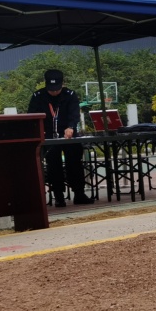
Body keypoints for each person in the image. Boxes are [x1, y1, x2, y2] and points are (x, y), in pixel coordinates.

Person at [28, 69, 94, 208]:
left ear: (62, 84)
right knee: (53, 166)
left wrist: (71, 127)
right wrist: (40, 131)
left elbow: (74, 113)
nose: (54, 92)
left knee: (74, 163)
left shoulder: (69, 95)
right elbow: (32, 116)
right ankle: (58, 196)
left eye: (57, 89)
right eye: (51, 89)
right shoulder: (38, 96)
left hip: (68, 135)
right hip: (49, 136)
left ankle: (79, 194)